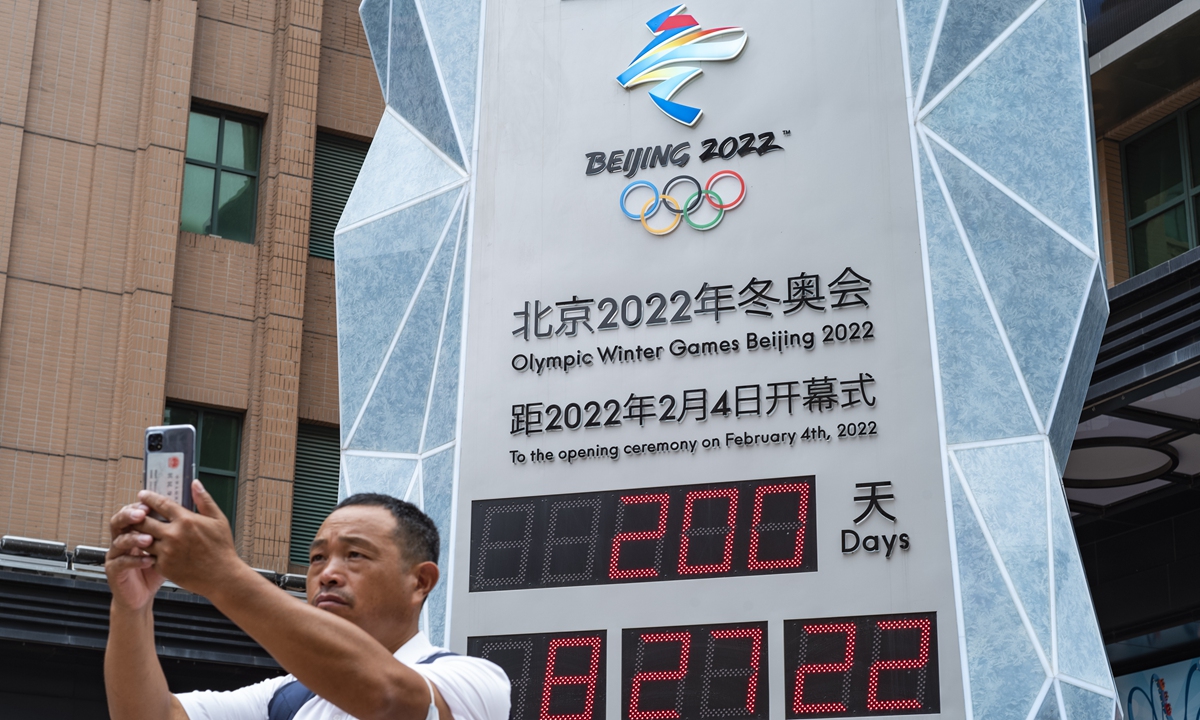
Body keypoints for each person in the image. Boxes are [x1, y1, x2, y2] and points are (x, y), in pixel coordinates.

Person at [104, 481, 510, 720]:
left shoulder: (474, 680)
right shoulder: (287, 697)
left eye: (355, 555)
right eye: (317, 557)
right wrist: (131, 607)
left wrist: (222, 574)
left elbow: (388, 699)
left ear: (421, 581)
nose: (328, 573)